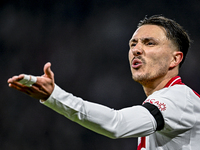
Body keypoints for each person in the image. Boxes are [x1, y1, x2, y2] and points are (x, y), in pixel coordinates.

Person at [7, 15, 200, 150]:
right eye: (133, 44)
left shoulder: (179, 98)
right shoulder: (166, 101)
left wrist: (55, 96)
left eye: (149, 43)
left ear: (175, 59)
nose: (137, 50)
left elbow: (117, 124)